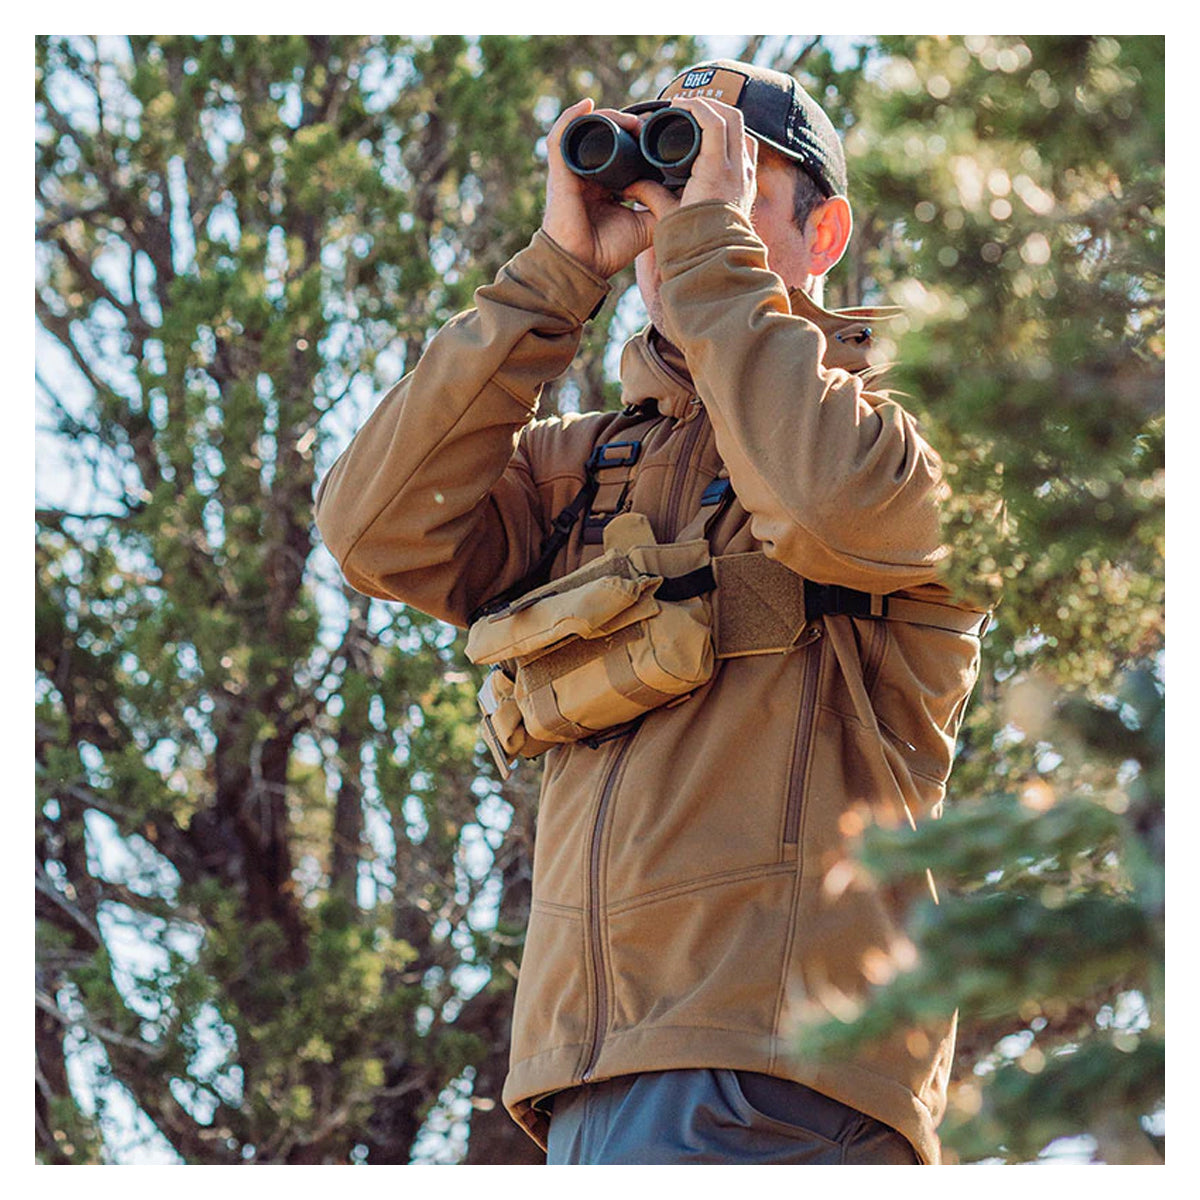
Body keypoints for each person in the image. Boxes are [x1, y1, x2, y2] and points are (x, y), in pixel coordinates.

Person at [314, 59, 988, 1165]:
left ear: (827, 234)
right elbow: (373, 530)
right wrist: (553, 277)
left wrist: (713, 261)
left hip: (782, 1067)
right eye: (657, 198)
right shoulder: (583, 466)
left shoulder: (908, 442)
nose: (676, 228)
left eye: (734, 193)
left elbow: (821, 500)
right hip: (586, 1075)